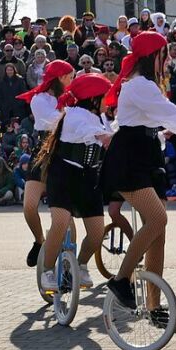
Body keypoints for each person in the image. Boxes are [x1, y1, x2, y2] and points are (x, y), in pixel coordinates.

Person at [100, 31, 176, 315]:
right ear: (152, 56)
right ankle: (121, 280)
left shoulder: (147, 86)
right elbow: (175, 114)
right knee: (157, 218)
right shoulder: (139, 85)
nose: (168, 60)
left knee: (159, 234)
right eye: (164, 54)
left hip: (147, 152)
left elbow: (161, 120)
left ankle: (154, 306)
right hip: (129, 158)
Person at [38, 74, 114, 291]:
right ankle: (48, 270)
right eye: (104, 96)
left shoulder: (100, 117)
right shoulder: (74, 115)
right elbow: (87, 131)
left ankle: (80, 266)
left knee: (97, 232)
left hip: (88, 177)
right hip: (63, 175)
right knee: (60, 221)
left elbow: (110, 132)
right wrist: (104, 137)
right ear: (92, 98)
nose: (108, 101)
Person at [15, 60, 75, 267]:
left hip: (67, 152)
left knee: (65, 216)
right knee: (29, 206)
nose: (71, 80)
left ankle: (70, 265)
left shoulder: (72, 98)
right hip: (44, 152)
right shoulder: (39, 99)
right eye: (69, 76)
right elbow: (53, 120)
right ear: (58, 78)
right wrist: (75, 114)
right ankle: (39, 240)